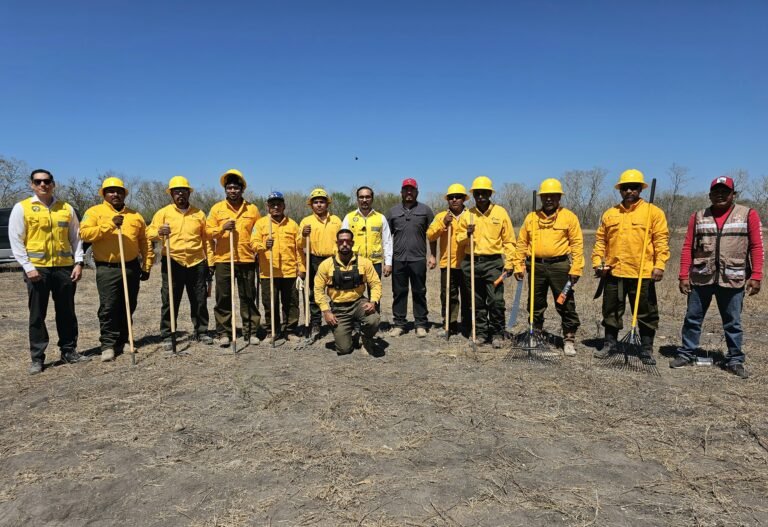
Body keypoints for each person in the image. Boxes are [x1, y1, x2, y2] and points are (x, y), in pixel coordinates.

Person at [671, 176, 763, 378]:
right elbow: (687, 247)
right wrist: (683, 275)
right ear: (710, 195)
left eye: (725, 191)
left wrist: (756, 275)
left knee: (733, 322)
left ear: (733, 194)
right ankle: (686, 353)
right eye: (716, 192)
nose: (720, 195)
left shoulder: (748, 214)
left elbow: (756, 247)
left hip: (733, 278)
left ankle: (735, 359)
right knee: (692, 318)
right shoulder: (698, 216)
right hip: (701, 277)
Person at [8, 169, 87, 374]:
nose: (43, 184)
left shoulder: (66, 208)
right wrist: (28, 267)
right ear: (32, 185)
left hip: (64, 268)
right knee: (37, 315)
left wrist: (78, 262)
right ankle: (37, 358)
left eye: (46, 181)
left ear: (53, 184)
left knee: (67, 312)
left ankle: (69, 351)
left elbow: (76, 238)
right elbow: (16, 240)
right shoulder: (22, 208)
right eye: (38, 181)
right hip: (38, 270)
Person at [592, 169, 669, 365]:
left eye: (633, 188)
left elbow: (661, 241)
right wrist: (598, 262)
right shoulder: (610, 213)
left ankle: (646, 349)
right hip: (614, 272)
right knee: (611, 311)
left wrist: (659, 265)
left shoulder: (653, 212)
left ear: (640, 189)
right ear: (620, 190)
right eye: (625, 188)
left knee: (646, 312)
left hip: (642, 272)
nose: (629, 191)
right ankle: (610, 344)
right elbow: (601, 241)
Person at [80, 177, 154, 362]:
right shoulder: (94, 212)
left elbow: (145, 242)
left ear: (124, 194)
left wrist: (146, 265)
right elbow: (84, 234)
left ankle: (125, 339)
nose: (115, 194)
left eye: (119, 191)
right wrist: (110, 225)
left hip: (131, 267)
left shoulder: (135, 216)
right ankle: (108, 344)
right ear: (104, 194)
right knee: (109, 306)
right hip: (108, 268)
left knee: (128, 304)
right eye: (111, 191)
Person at [511, 178, 584, 356]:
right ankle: (535, 333)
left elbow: (577, 244)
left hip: (560, 266)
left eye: (553, 196)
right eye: (545, 196)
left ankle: (569, 338)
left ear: (559, 197)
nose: (549, 199)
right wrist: (518, 265)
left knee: (565, 302)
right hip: (536, 266)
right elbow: (521, 243)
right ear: (541, 198)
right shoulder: (531, 218)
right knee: (535, 302)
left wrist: (576, 268)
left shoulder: (569, 217)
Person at [147, 176, 214, 350]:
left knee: (199, 299)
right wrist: (159, 231)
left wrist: (210, 261)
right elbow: (149, 233)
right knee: (170, 299)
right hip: (172, 261)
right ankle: (168, 334)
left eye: (184, 191)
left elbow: (206, 239)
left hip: (196, 261)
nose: (180, 194)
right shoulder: (163, 213)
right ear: (171, 194)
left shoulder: (199, 214)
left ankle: (202, 331)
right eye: (177, 192)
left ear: (189, 193)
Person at [455, 176, 516, 348]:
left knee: (496, 301)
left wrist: (510, 263)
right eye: (477, 193)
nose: (481, 197)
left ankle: (497, 333)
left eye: (484, 193)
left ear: (490, 194)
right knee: (476, 301)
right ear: (474, 195)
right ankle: (481, 333)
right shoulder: (468, 215)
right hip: (472, 262)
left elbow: (509, 240)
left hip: (493, 263)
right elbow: (458, 239)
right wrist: (467, 233)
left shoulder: (500, 213)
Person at [206, 169, 262, 346]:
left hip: (246, 259)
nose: (232, 191)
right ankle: (224, 332)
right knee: (223, 297)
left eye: (236, 188)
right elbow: (207, 232)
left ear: (242, 189)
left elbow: (259, 232)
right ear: (225, 189)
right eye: (229, 188)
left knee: (248, 297)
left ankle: (251, 331)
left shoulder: (252, 209)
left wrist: (257, 251)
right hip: (224, 259)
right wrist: (222, 228)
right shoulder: (217, 209)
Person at [314, 229, 382, 356]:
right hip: (339, 308)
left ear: (352, 243)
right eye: (341, 241)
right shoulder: (326, 265)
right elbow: (318, 289)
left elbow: (375, 283)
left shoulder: (364, 263)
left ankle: (366, 338)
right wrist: (326, 311)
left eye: (347, 241)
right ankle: (349, 335)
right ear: (337, 243)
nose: (344, 244)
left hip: (359, 303)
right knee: (344, 350)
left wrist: (373, 302)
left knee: (374, 319)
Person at [251, 191, 305, 341]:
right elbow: (253, 243)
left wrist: (301, 269)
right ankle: (272, 330)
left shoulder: (292, 224)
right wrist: (264, 245)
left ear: (284, 206)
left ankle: (290, 330)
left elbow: (299, 249)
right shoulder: (261, 224)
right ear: (267, 206)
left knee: (291, 303)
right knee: (270, 303)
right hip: (268, 272)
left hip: (289, 272)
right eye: (272, 204)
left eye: (279, 204)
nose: (276, 207)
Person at [386, 178, 436, 338]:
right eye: (406, 189)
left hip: (418, 258)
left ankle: (420, 324)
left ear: (417, 192)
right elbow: (386, 238)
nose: (409, 192)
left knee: (419, 292)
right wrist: (387, 260)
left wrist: (433, 255)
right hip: (398, 259)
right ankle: (399, 324)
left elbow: (433, 235)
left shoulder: (425, 210)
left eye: (412, 189)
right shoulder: (392, 212)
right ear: (401, 192)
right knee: (399, 292)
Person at [426, 183, 471, 338]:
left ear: (464, 199)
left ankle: (467, 325)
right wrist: (444, 223)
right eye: (451, 197)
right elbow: (430, 235)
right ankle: (449, 325)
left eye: (458, 197)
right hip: (448, 264)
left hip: (467, 263)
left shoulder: (471, 215)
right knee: (448, 296)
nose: (454, 200)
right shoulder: (441, 216)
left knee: (468, 296)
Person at [299, 188, 342, 342]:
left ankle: (337, 321)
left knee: (335, 291)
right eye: (316, 202)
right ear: (311, 205)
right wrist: (303, 235)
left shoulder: (336, 220)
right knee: (314, 293)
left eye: (322, 202)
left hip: (333, 260)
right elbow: (299, 244)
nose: (319, 205)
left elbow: (343, 240)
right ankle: (315, 323)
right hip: (313, 259)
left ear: (327, 204)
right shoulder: (306, 221)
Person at [341, 186, 393, 282]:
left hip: (375, 264)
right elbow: (342, 242)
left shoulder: (381, 218)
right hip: (354, 262)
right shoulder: (349, 218)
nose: (364, 200)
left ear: (372, 199)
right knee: (354, 291)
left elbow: (387, 242)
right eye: (361, 197)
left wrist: (388, 263)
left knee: (375, 291)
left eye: (367, 197)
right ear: (357, 199)